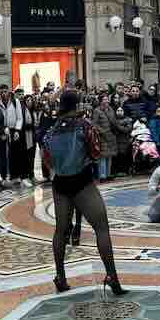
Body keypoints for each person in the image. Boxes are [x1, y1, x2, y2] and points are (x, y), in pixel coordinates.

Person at [41, 89, 125, 296]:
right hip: (82, 182)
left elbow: (48, 161)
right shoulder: (84, 126)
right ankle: (112, 277)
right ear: (76, 105)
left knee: (60, 231)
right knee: (101, 229)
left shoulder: (50, 132)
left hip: (60, 184)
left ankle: (60, 277)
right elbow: (96, 153)